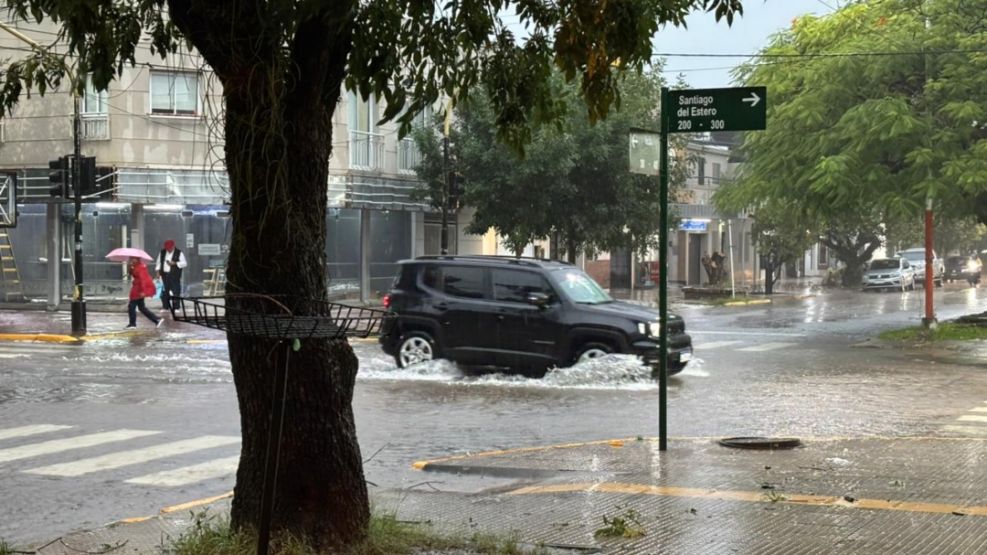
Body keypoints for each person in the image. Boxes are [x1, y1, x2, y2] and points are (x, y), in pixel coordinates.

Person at [127, 257, 163, 329]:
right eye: (131, 259)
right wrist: (129, 267)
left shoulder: (141, 267)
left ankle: (132, 324)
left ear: (137, 259)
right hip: (136, 288)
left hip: (138, 290)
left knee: (132, 306)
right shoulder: (135, 266)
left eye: (133, 259)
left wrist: (143, 291)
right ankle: (156, 320)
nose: (131, 260)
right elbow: (132, 274)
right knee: (141, 308)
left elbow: (143, 280)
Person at [156, 239, 187, 311]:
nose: (168, 250)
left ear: (173, 246)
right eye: (167, 248)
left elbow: (184, 263)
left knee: (176, 291)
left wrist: (175, 263)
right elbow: (158, 263)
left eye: (170, 248)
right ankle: (165, 306)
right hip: (164, 274)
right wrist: (158, 272)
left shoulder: (179, 253)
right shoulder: (162, 252)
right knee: (164, 291)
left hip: (174, 275)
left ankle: (176, 307)